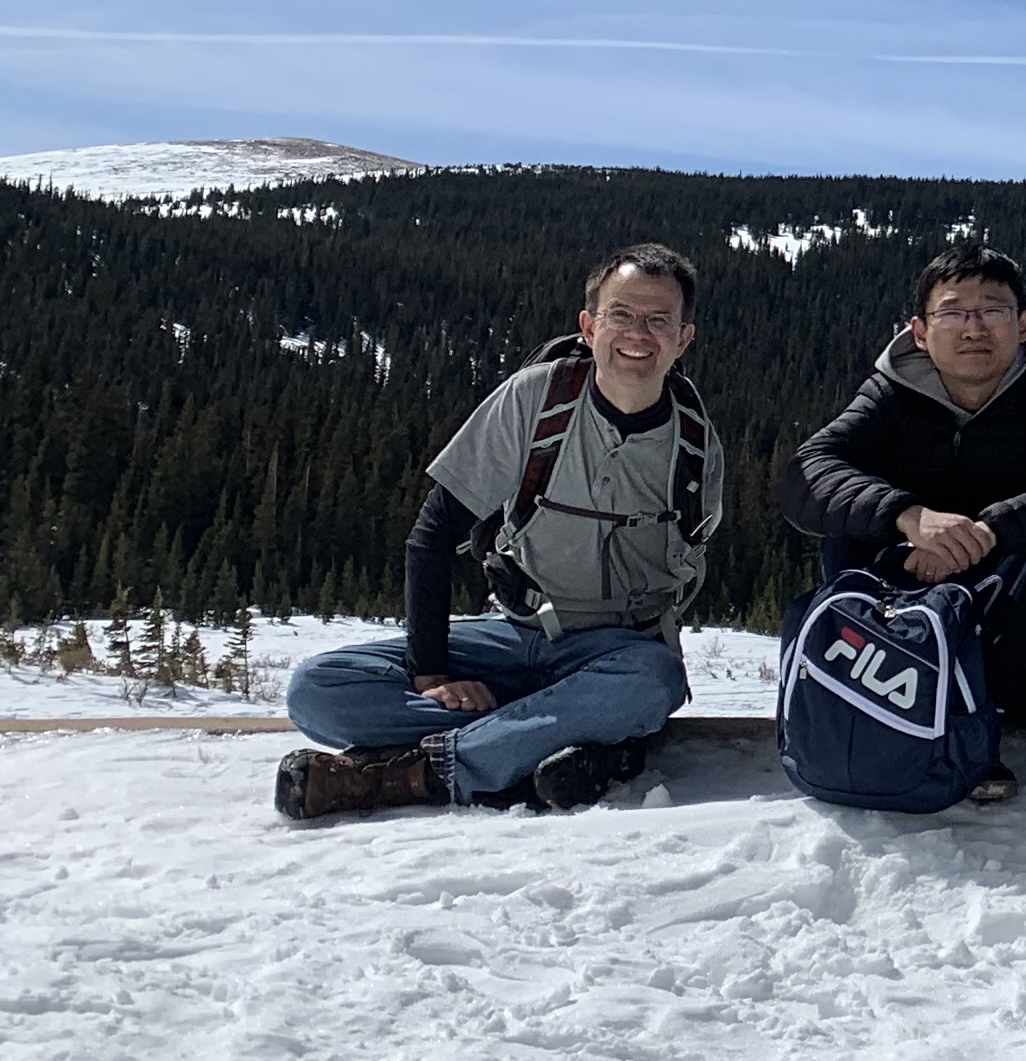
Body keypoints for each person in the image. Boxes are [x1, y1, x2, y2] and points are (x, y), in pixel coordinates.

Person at [276, 244, 722, 820]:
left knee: (652, 683)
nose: (638, 333)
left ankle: (423, 771)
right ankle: (554, 744)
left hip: (615, 651)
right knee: (319, 690)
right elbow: (433, 535)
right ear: (589, 326)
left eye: (659, 320)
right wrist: (432, 671)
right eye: (621, 314)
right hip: (513, 634)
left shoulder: (694, 442)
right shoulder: (536, 402)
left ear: (683, 339)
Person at [790, 243, 1026, 799]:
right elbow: (808, 473)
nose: (973, 327)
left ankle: (969, 715)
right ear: (921, 331)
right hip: (900, 635)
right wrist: (908, 518)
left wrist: (986, 531)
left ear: (1024, 324)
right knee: (851, 520)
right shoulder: (890, 394)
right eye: (953, 312)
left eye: (993, 311)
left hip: (1025, 663)